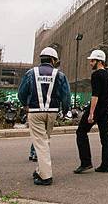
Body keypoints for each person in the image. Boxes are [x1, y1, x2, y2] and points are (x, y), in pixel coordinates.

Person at [18, 47, 71, 185]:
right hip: (52, 112)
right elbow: (66, 96)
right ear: (53, 60)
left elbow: (21, 93)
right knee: (45, 141)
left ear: (41, 58)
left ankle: (46, 176)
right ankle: (40, 170)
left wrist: (26, 105)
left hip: (35, 112)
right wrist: (65, 111)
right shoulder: (59, 75)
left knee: (40, 143)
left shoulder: (31, 73)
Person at [74, 49, 108, 174]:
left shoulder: (96, 75)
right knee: (105, 137)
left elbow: (95, 95)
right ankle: (106, 165)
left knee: (81, 132)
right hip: (106, 109)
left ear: (99, 61)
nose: (90, 63)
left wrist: (91, 113)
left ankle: (86, 162)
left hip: (96, 109)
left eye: (92, 61)